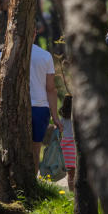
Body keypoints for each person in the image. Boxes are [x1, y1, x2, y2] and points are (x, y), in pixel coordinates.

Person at [29, 30, 63, 172]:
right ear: (35, 33)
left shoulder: (4, 53)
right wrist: (55, 117)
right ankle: (31, 183)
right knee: (35, 150)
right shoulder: (45, 56)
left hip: (14, 108)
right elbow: (51, 89)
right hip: (40, 108)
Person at [59, 95, 77, 191]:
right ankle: (76, 192)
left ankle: (71, 192)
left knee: (70, 174)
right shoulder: (77, 118)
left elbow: (60, 130)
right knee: (77, 173)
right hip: (75, 147)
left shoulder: (63, 119)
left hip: (65, 148)